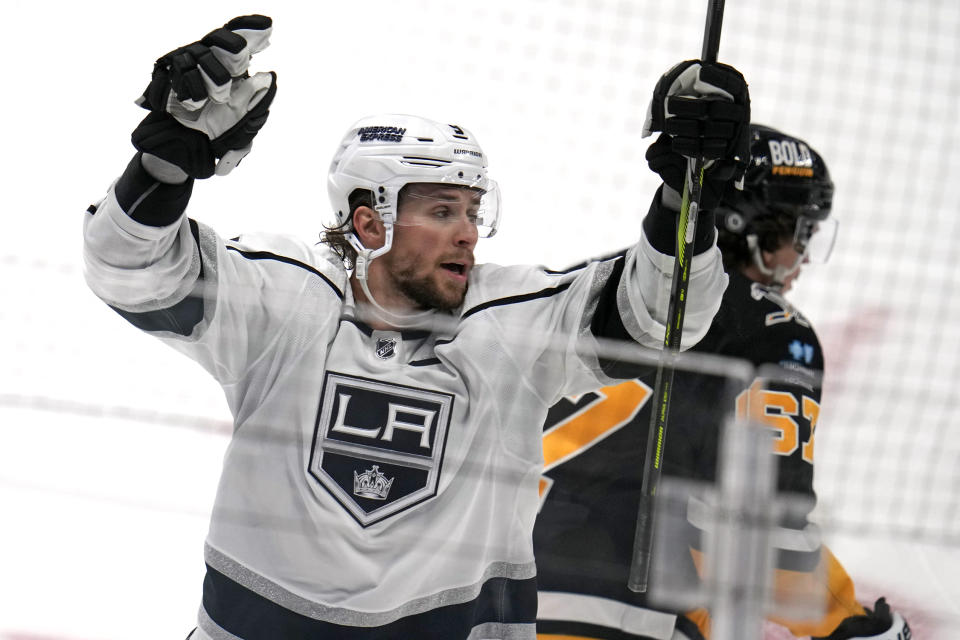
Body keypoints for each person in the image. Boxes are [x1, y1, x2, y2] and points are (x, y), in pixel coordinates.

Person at [81, 14, 751, 640]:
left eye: (472, 210)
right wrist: (163, 167)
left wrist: (685, 195)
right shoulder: (288, 298)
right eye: (441, 210)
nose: (467, 233)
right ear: (369, 223)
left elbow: (661, 316)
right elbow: (132, 270)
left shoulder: (513, 325)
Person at [533, 125, 911, 640]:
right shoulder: (771, 329)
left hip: (488, 601)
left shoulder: (576, 290)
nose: (797, 261)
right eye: (796, 233)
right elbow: (768, 538)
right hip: (624, 617)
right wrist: (851, 624)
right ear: (746, 223)